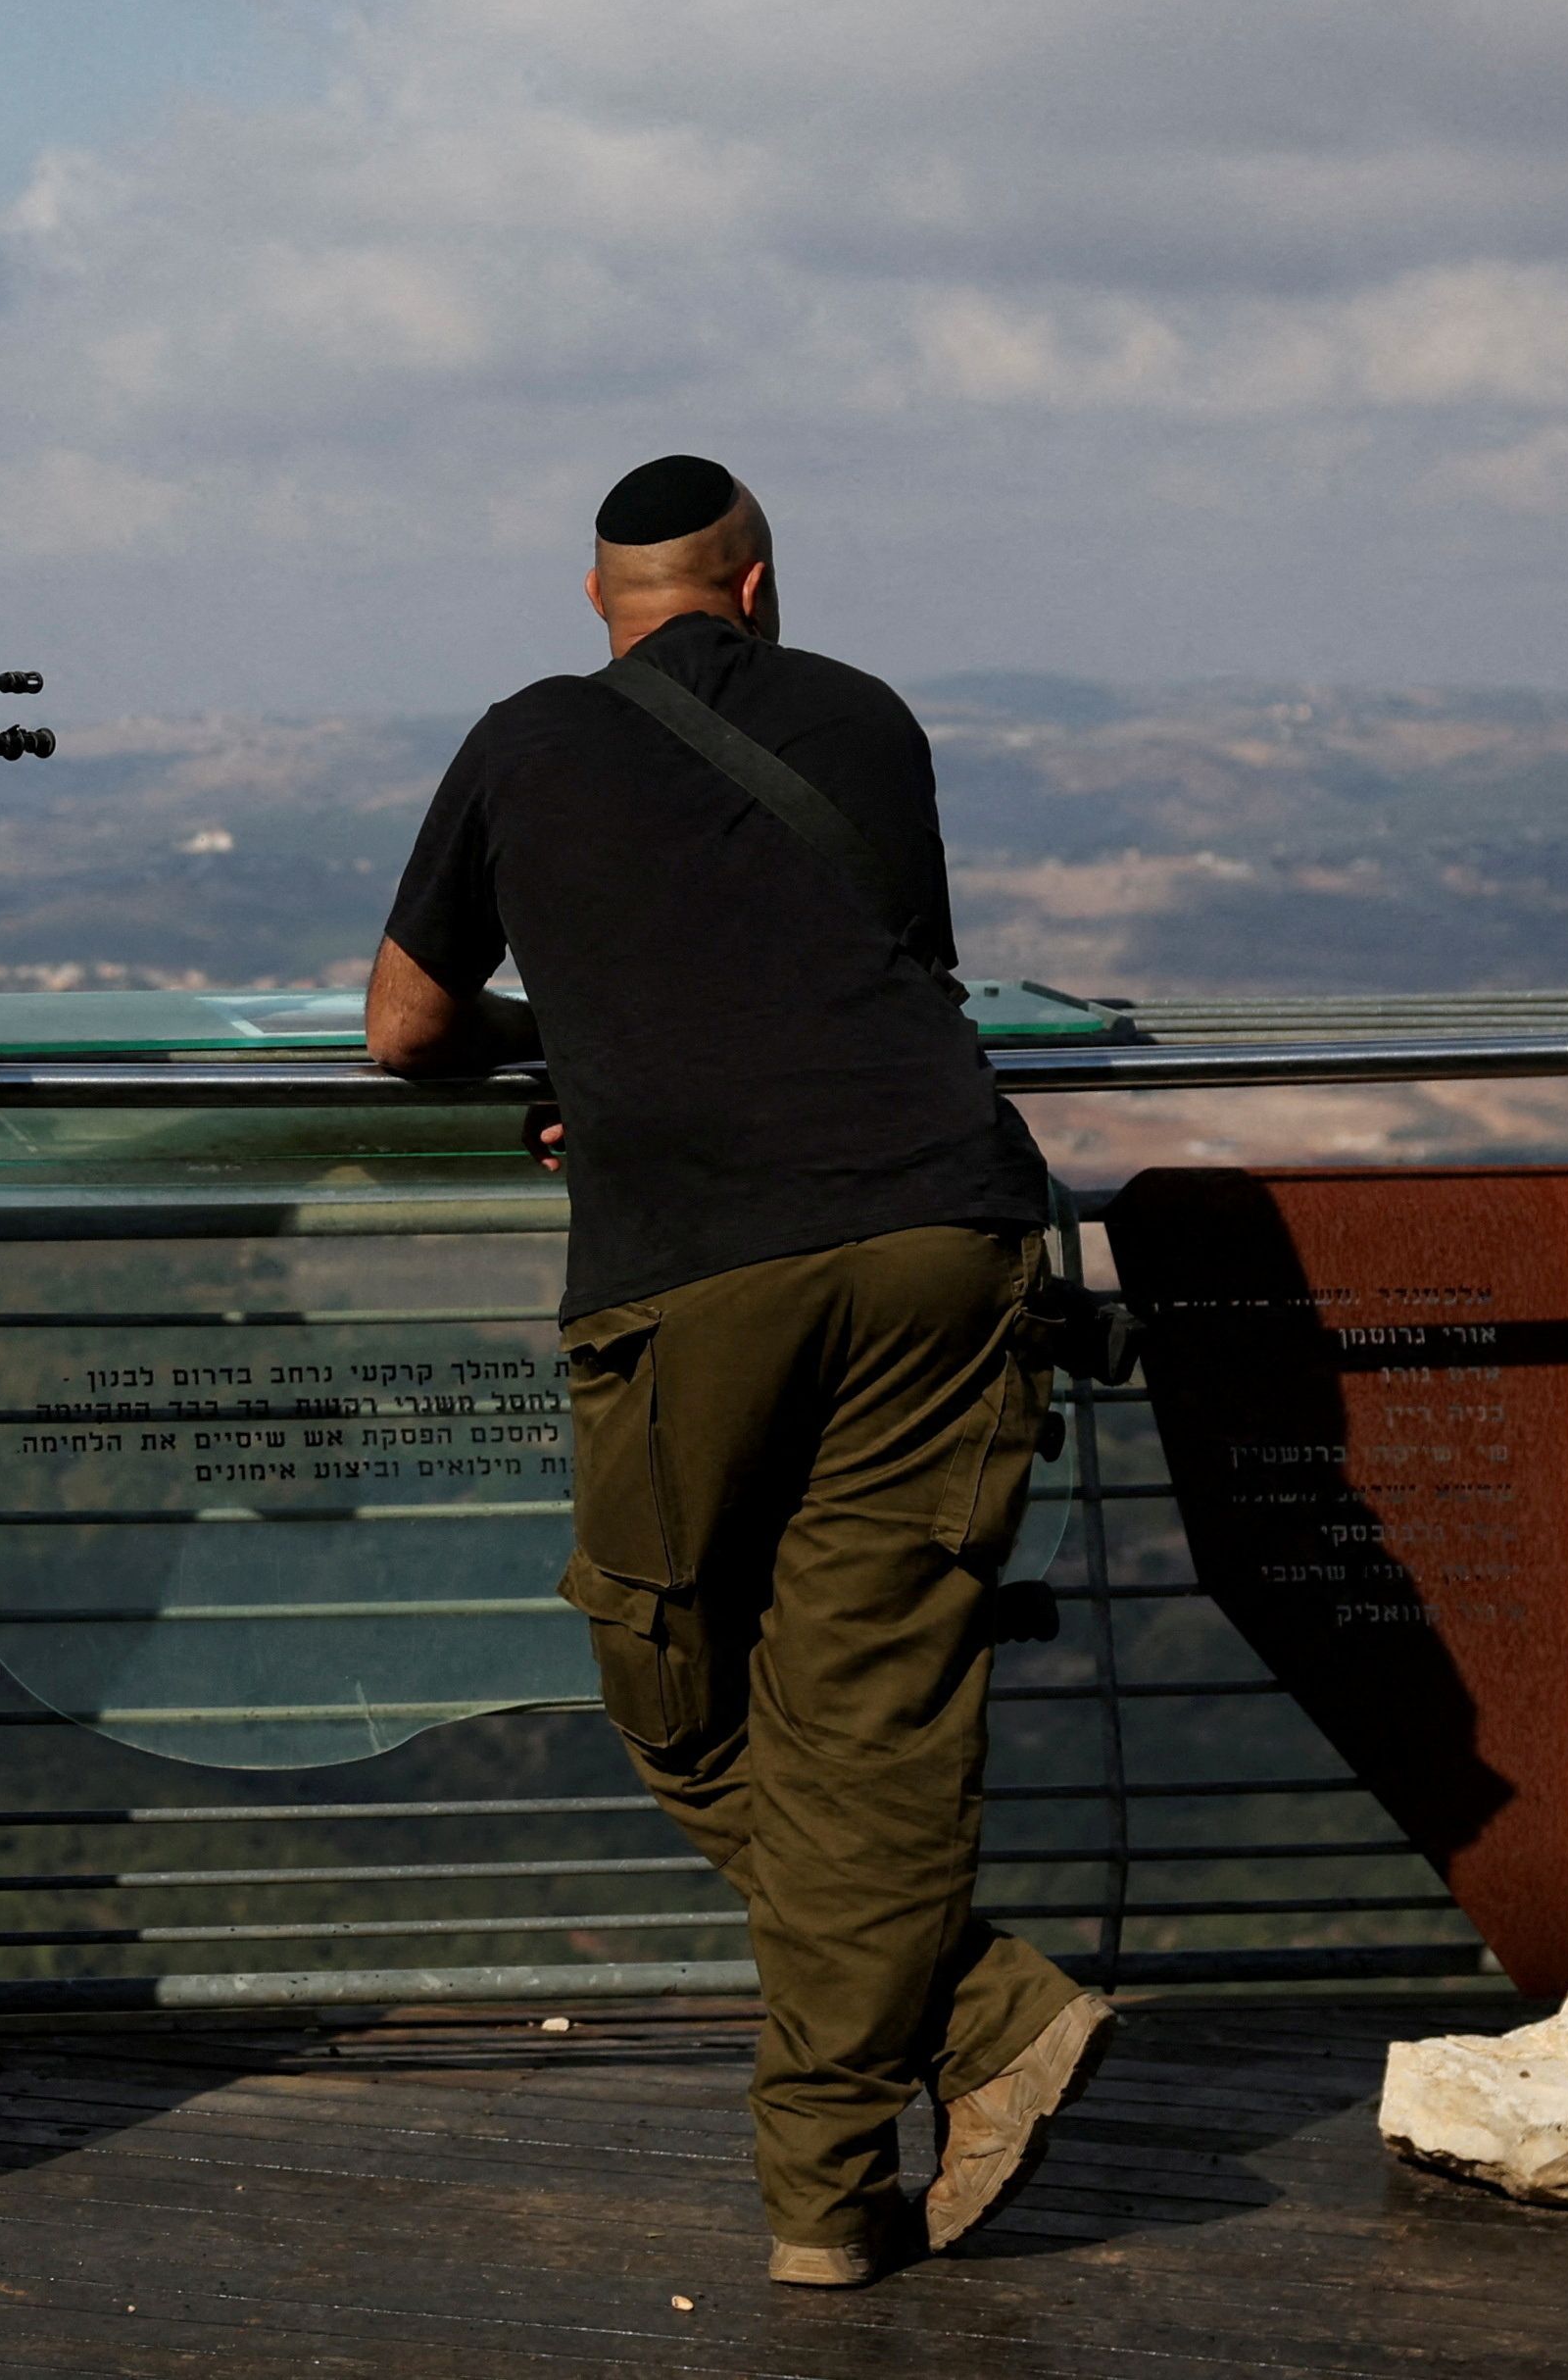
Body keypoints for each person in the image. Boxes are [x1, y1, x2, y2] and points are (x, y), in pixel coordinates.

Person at [363, 455, 1109, 2290]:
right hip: (940, 1235)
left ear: (595, 602)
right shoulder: (865, 718)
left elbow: (404, 1027)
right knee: (874, 1719)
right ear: (757, 583)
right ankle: (936, 2071)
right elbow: (871, 970)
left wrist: (571, 1048)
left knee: (674, 1695)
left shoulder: (524, 739)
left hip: (688, 1264)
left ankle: (853, 2174)